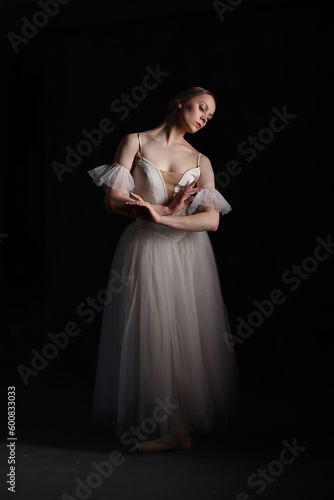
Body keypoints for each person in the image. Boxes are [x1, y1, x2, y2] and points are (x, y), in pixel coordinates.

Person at [87, 86, 239, 452]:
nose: (205, 117)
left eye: (210, 116)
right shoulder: (135, 141)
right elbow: (113, 201)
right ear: (180, 101)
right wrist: (165, 211)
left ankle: (179, 431)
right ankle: (171, 429)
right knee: (153, 334)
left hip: (189, 253)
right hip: (145, 249)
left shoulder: (202, 161)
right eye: (202, 107)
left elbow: (212, 222)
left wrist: (165, 218)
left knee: (187, 336)